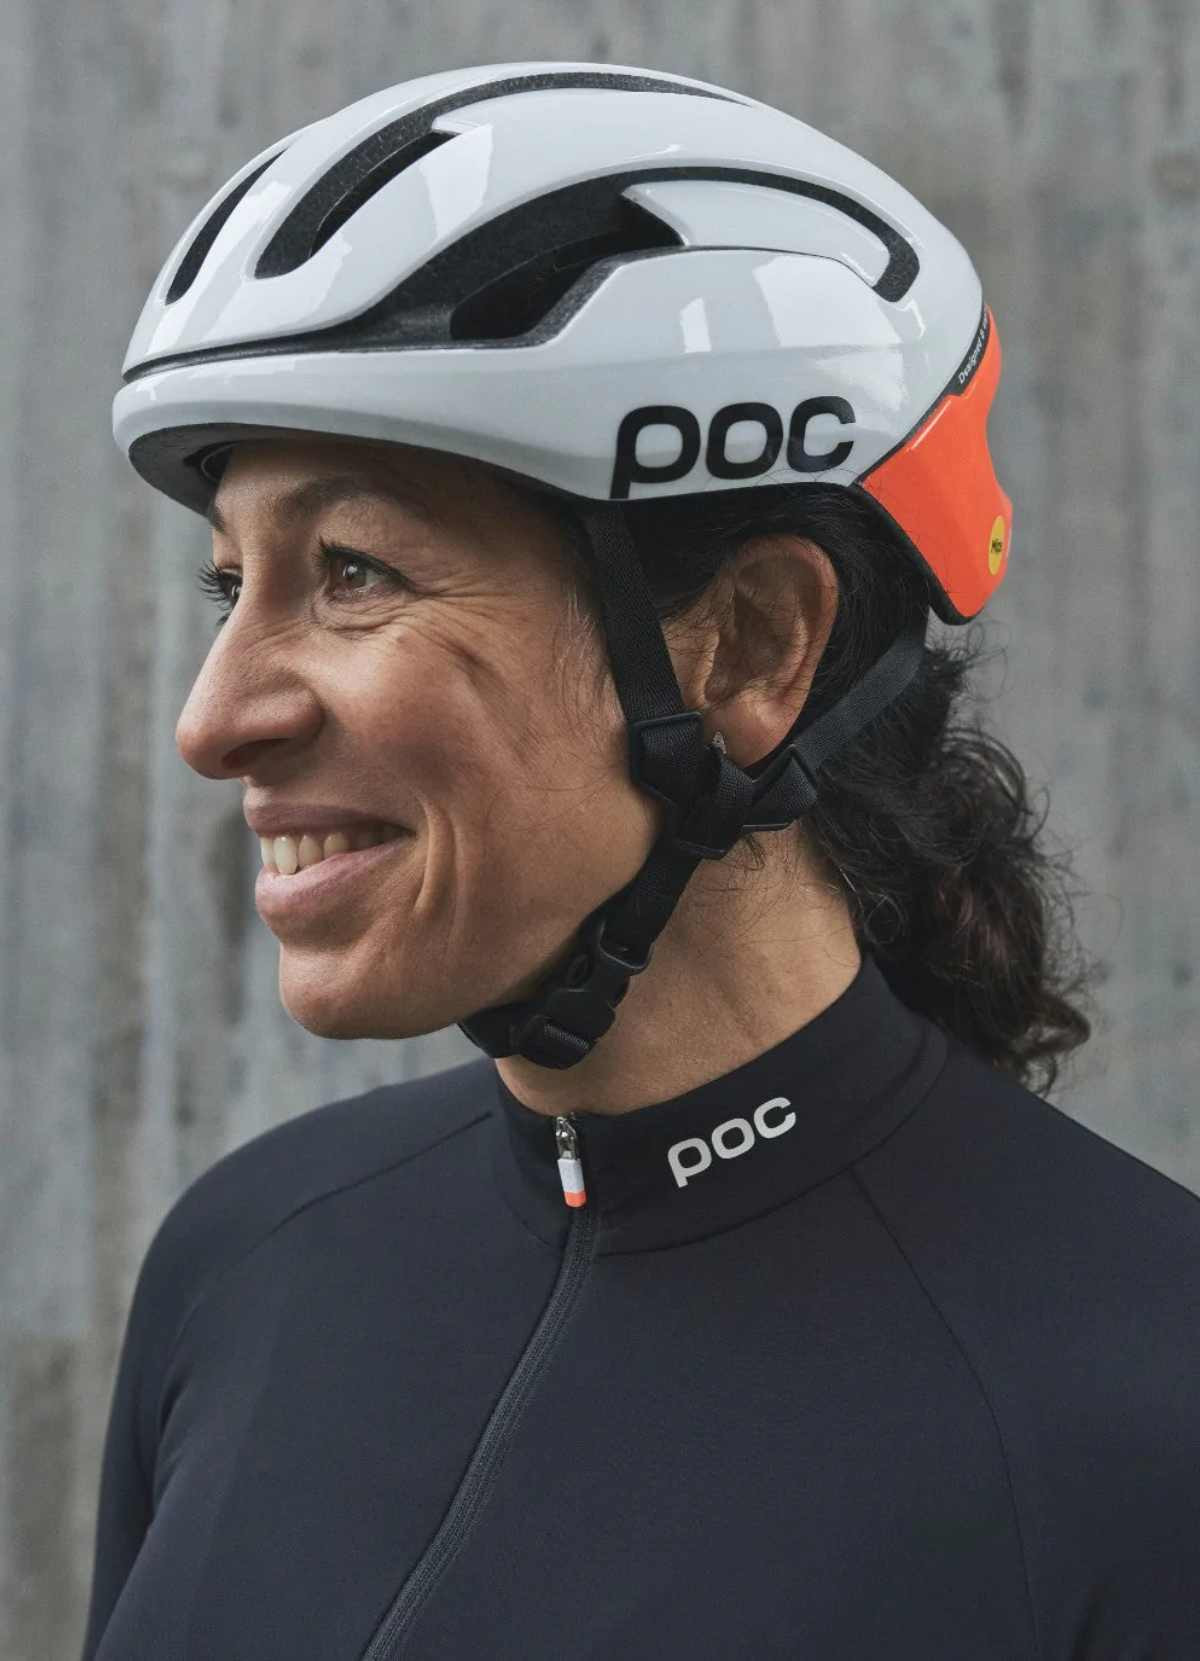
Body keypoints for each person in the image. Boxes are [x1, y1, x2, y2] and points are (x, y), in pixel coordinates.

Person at [82, 60, 1199, 1660]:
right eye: (228, 586)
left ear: (750, 644)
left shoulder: (1149, 1409)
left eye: (353, 571)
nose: (212, 719)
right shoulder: (245, 1262)